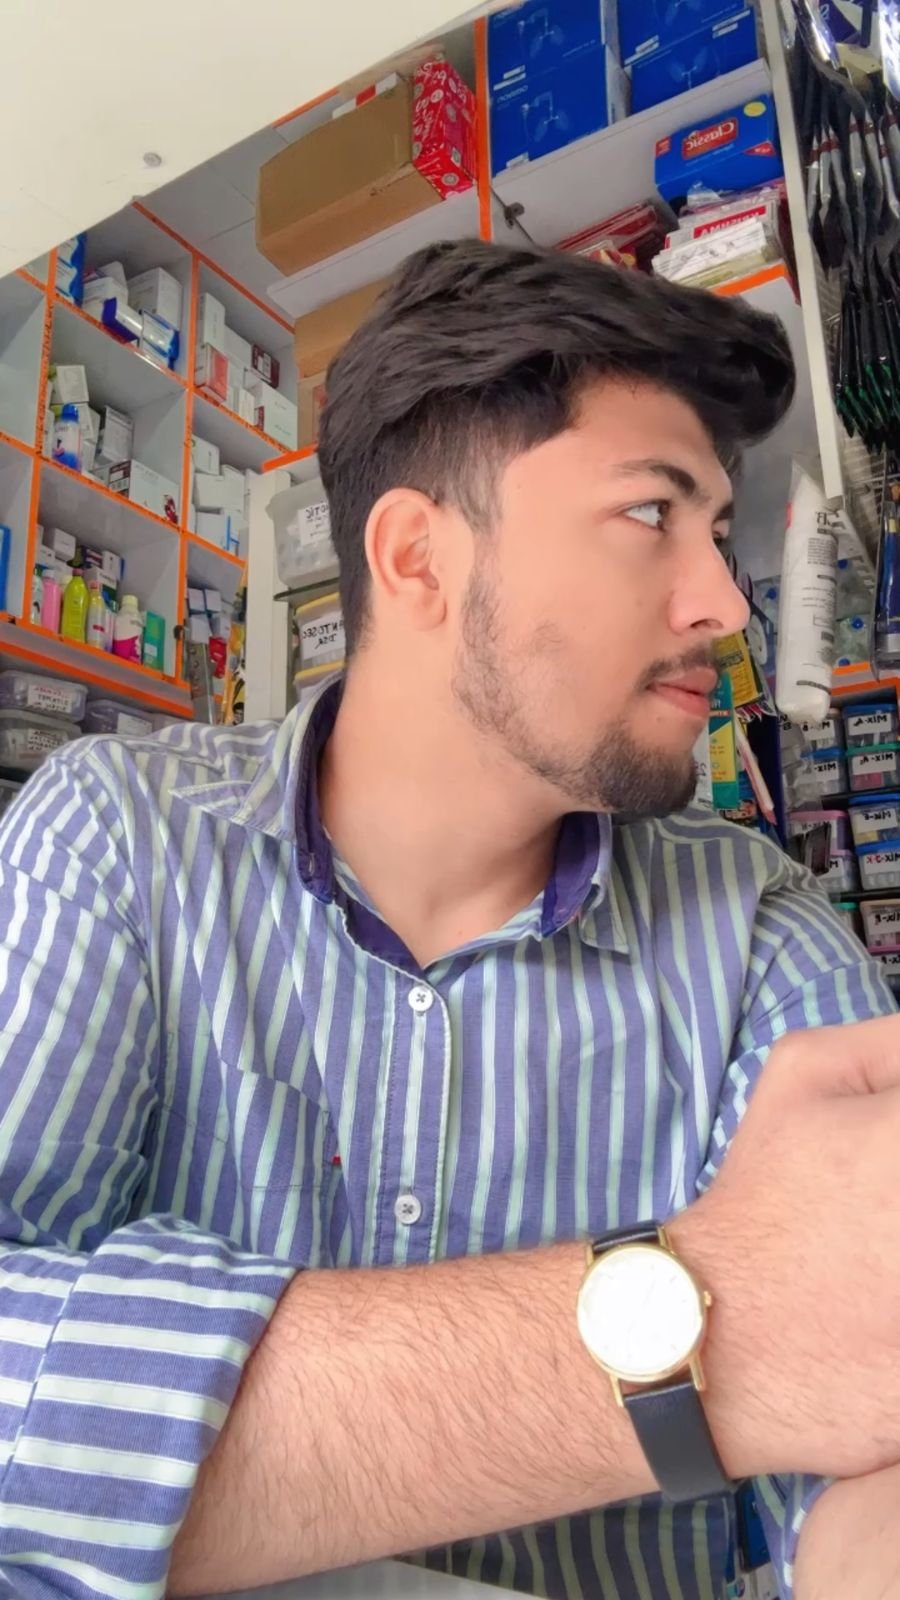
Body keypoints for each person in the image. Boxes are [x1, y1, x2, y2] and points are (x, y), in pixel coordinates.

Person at [1, 239, 899, 1600]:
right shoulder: (115, 839)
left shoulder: (761, 937)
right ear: (417, 558)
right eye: (652, 512)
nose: (723, 603)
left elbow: (864, 1427)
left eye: (717, 531)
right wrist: (717, 1328)